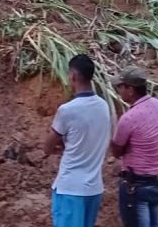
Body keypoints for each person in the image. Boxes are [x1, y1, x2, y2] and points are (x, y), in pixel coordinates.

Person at [44, 54, 111, 227]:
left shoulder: (67, 110)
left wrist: (62, 145)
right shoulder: (103, 106)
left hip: (70, 188)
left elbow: (47, 147)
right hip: (94, 188)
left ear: (73, 75)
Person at [110, 66, 158, 227]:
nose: (118, 91)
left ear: (130, 90)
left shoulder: (129, 117)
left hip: (137, 187)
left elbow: (116, 151)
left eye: (120, 87)